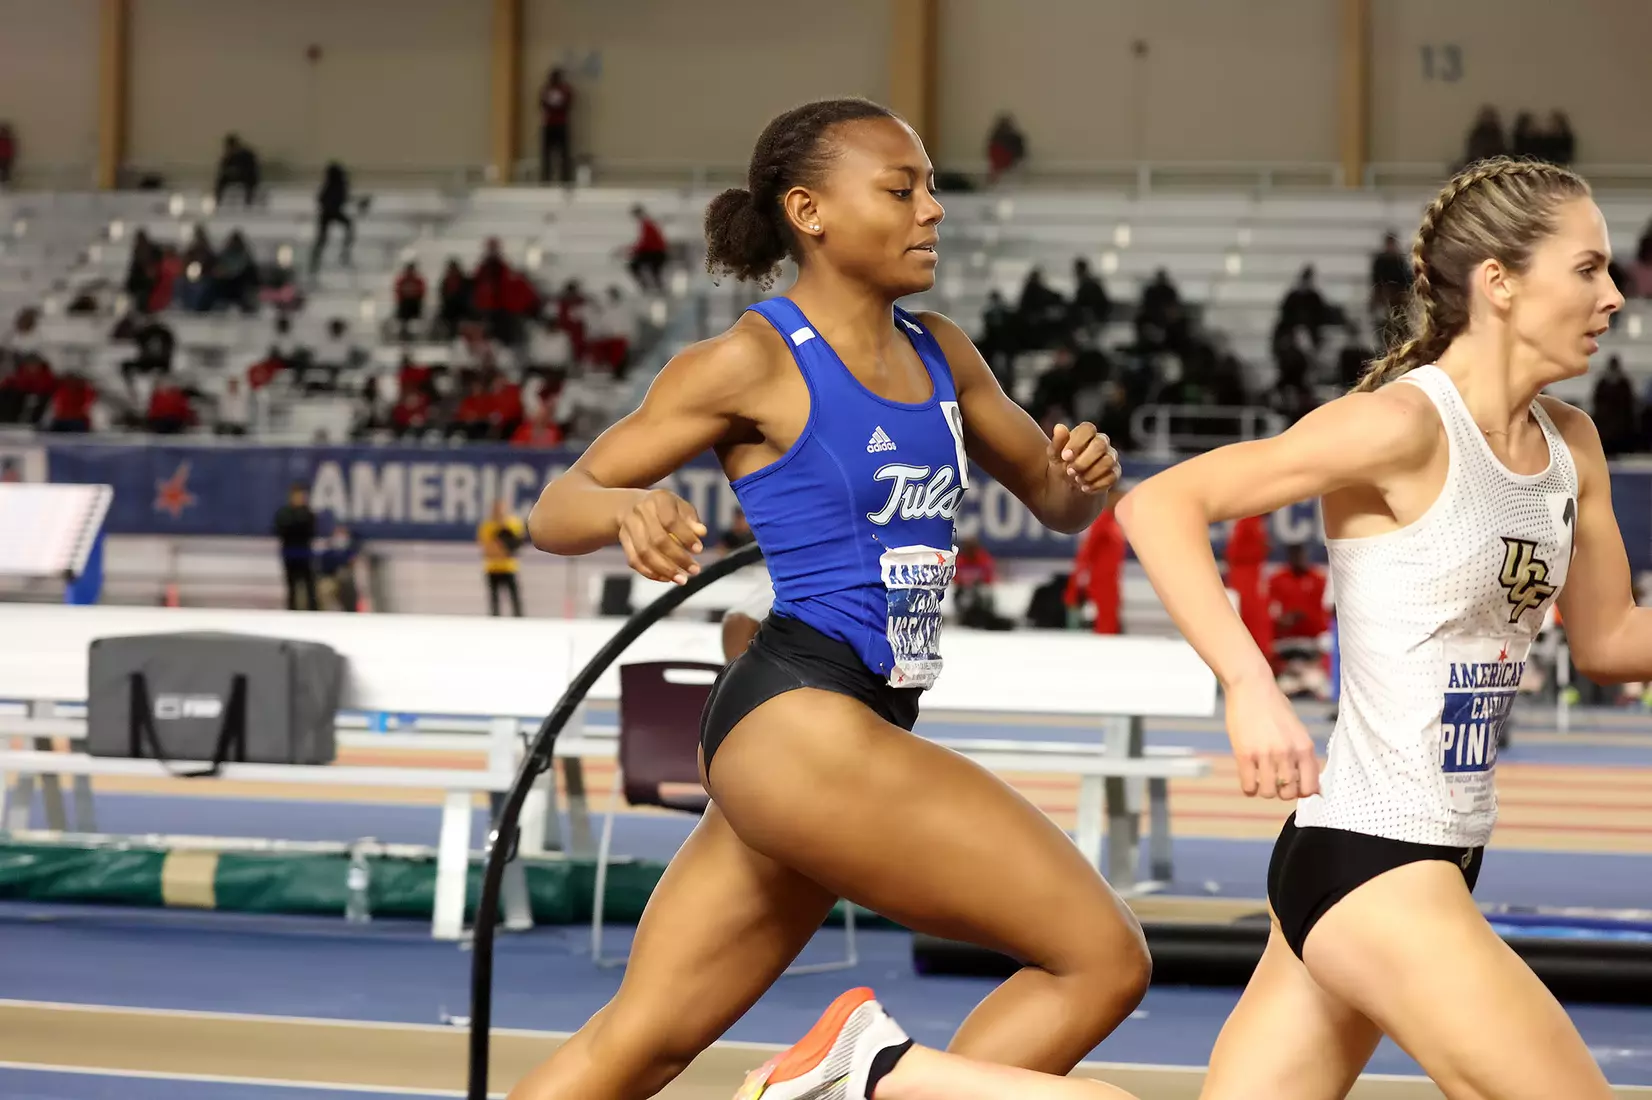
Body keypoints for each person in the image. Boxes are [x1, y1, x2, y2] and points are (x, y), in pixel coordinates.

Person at [516, 97, 1147, 1100]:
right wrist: (625, 510)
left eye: (931, 187)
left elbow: (1055, 500)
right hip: (802, 717)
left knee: (638, 1043)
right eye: (900, 189)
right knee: (1102, 957)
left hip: (823, 735)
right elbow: (557, 504)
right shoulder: (750, 359)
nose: (932, 209)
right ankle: (864, 1082)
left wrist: (1085, 470)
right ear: (808, 211)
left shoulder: (943, 351)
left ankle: (849, 1080)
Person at [1116, 156, 1626, 1100]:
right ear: (1500, 283)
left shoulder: (1573, 445)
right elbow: (1160, 506)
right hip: (1375, 861)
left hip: (1425, 855)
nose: (1616, 295)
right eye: (1589, 269)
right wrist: (1250, 683)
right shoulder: (1402, 426)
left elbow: (1609, 643)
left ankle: (893, 1075)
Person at [273, 482, 317, 611]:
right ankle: (292, 611)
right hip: (290, 554)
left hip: (304, 554)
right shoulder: (284, 513)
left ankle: (313, 611)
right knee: (292, 587)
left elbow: (309, 531)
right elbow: (281, 530)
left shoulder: (308, 514)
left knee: (309, 586)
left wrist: (296, 525)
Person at [478, 498, 526, 617]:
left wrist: (500, 548)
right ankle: (495, 622)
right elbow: (487, 550)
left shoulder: (514, 524)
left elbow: (516, 547)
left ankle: (519, 621)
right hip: (492, 568)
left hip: (509, 568)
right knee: (494, 600)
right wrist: (503, 549)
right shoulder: (487, 526)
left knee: (515, 598)